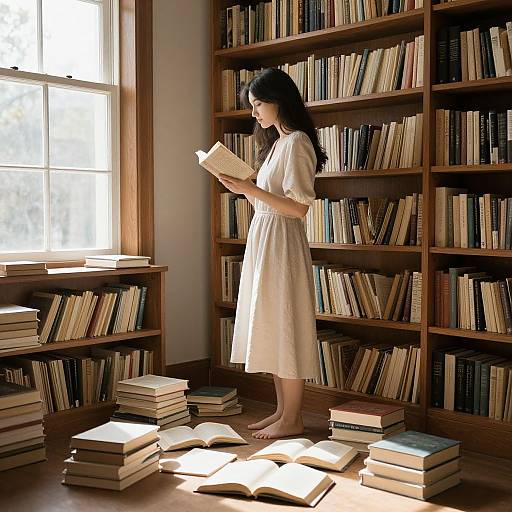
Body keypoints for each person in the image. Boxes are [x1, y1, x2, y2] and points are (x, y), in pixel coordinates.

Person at [218, 68, 327, 440]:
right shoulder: (278, 144)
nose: (254, 113)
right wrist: (241, 187)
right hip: (265, 236)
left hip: (282, 241)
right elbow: (269, 203)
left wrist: (251, 188)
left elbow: (298, 207)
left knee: (286, 326)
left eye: (258, 104)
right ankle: (283, 412)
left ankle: (293, 419)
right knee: (272, 325)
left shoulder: (297, 142)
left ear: (280, 100)